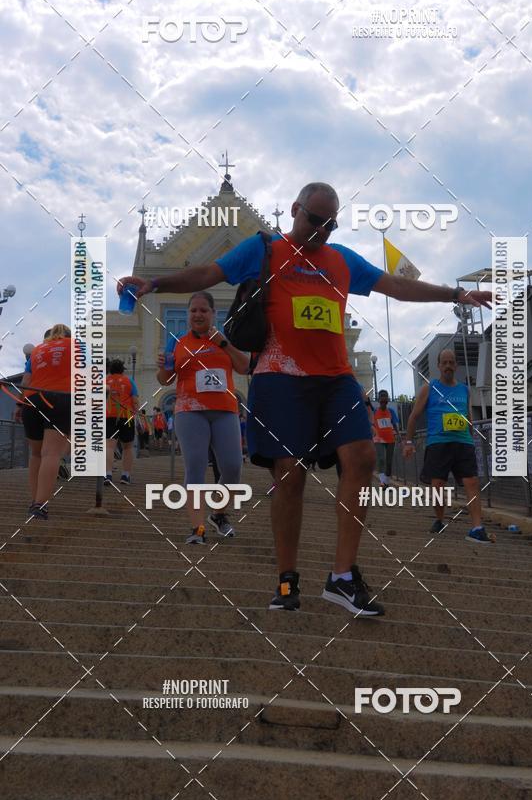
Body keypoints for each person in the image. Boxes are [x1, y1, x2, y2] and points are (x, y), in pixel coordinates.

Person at [119, 182, 492, 613]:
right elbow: (208, 274)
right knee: (290, 474)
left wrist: (455, 294)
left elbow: (396, 286)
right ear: (297, 209)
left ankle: (343, 576)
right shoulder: (263, 249)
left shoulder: (341, 259)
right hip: (279, 377)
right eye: (315, 220)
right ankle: (286, 580)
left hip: (336, 378)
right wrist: (154, 284)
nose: (322, 230)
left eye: (331, 223)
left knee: (363, 458)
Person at [156, 291, 250, 544]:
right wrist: (162, 367)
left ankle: (218, 514)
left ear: (213, 314)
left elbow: (244, 366)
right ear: (188, 315)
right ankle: (197, 527)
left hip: (225, 410)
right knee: (195, 466)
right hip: (190, 410)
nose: (198, 314)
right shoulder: (177, 342)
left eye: (203, 310)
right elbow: (165, 379)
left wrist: (223, 343)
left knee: (232, 467)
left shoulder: (224, 339)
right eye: (193, 310)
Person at [403, 349, 494, 544]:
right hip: (438, 443)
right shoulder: (430, 388)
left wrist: (472, 441)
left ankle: (477, 528)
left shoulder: (464, 390)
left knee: (472, 483)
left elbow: (469, 418)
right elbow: (414, 416)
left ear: (456, 365)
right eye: (444, 363)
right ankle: (439, 519)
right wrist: (408, 442)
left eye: (451, 362)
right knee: (437, 486)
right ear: (438, 366)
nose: (448, 366)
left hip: (463, 443)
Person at [19, 324, 72, 519]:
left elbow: (26, 380)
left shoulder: (37, 351)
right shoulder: (77, 346)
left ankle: (35, 500)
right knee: (51, 453)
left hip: (33, 399)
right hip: (61, 397)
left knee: (36, 454)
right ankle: (40, 505)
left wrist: (20, 405)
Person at [105, 359, 138, 486]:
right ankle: (125, 475)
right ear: (123, 370)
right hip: (126, 415)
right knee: (128, 447)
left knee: (109, 446)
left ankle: (107, 474)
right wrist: (136, 412)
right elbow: (135, 400)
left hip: (109, 416)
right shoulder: (129, 381)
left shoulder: (104, 381)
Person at [372, 389, 399, 486]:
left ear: (387, 399)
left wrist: (398, 435)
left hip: (390, 439)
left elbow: (394, 424)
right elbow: (372, 425)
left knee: (389, 462)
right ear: (379, 399)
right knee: (381, 459)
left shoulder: (391, 411)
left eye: (385, 396)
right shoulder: (375, 412)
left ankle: (386, 482)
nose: (383, 398)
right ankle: (383, 482)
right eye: (381, 396)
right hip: (378, 439)